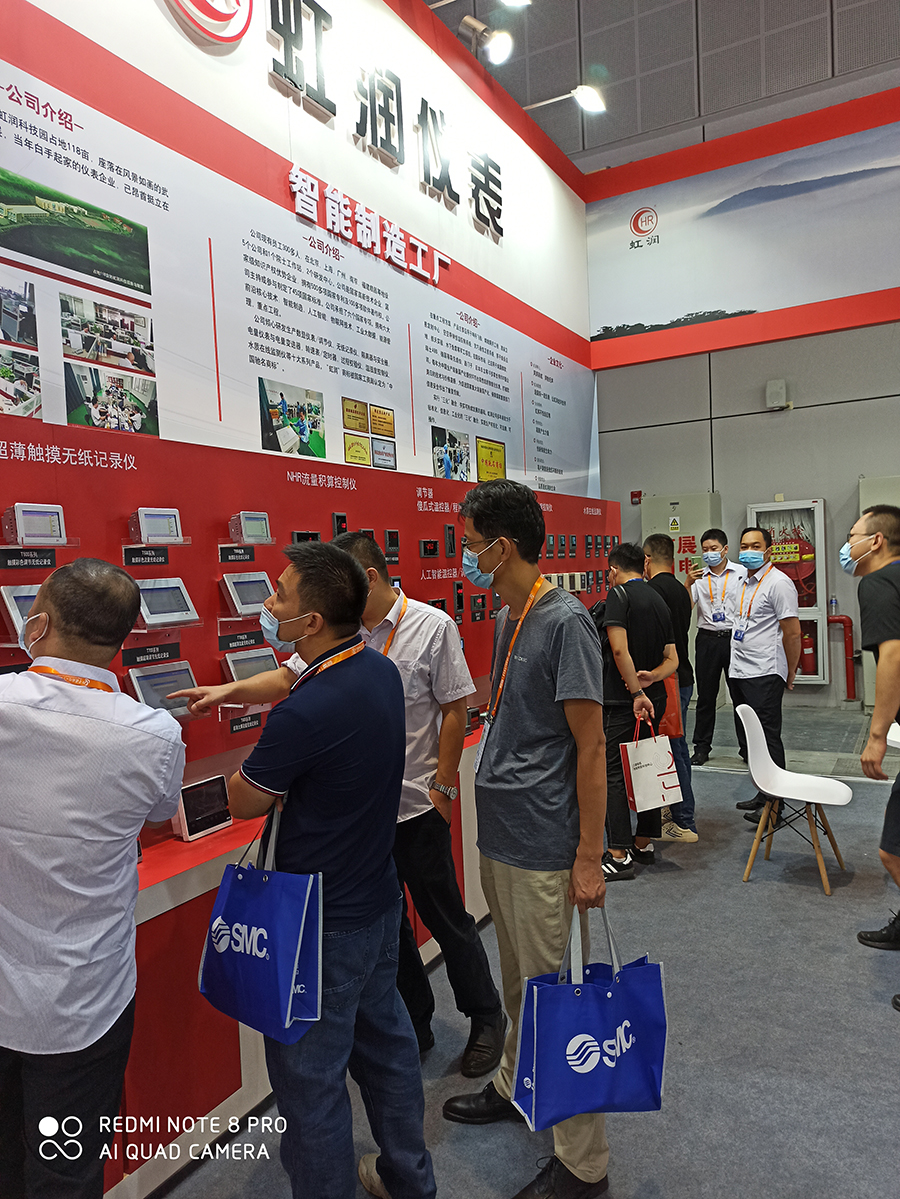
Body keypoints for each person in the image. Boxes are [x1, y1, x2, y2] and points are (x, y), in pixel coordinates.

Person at [177, 532, 506, 1076]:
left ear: (366, 578)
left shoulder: (432, 626)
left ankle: (486, 1017)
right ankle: (416, 1020)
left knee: (446, 919)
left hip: (414, 806)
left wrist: (443, 788)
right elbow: (287, 676)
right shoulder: (337, 637)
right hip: (363, 816)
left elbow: (455, 709)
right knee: (390, 928)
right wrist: (226, 692)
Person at [216, 541, 435, 1199]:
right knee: (388, 1049)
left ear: (311, 620)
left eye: (280, 593)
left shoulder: (304, 712)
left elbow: (243, 799)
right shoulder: (376, 668)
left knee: (310, 1084)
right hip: (376, 899)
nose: (267, 601)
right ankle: (409, 1178)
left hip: (319, 924)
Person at [441, 480, 610, 1199]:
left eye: (470, 543)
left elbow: (591, 746)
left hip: (545, 840)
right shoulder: (511, 615)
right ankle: (516, 1084)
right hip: (504, 835)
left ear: (501, 547)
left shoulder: (566, 622)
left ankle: (583, 1163)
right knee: (518, 983)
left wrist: (588, 855)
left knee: (554, 1000)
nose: (464, 555)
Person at [0, 558, 185, 1199]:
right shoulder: (154, 734)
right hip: (86, 997)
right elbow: (160, 811)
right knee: (66, 1170)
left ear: (39, 623)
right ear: (124, 637)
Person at [847, 505, 900, 1012]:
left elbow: (893, 655)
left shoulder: (879, 581)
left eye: (853, 535)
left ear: (877, 541)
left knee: (893, 852)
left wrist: (877, 733)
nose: (848, 545)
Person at [601, 542, 679, 879]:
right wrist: (651, 679)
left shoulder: (618, 596)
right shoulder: (658, 598)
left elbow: (619, 651)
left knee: (614, 775)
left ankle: (619, 854)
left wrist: (635, 690)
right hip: (655, 697)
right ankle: (643, 844)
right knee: (647, 768)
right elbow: (672, 659)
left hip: (625, 700)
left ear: (614, 570)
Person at [729, 526, 801, 823]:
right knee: (750, 738)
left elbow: (792, 633)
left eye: (756, 546)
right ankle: (763, 792)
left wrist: (791, 670)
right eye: (745, 545)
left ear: (768, 551)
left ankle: (775, 806)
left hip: (765, 671)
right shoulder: (742, 582)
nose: (749, 551)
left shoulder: (779, 583)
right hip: (740, 669)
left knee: (768, 737)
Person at [643, 533, 699, 839]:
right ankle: (675, 810)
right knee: (677, 747)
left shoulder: (651, 592)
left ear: (647, 560)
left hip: (668, 681)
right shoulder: (681, 589)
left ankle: (683, 819)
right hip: (682, 676)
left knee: (672, 749)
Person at [685, 528, 746, 766]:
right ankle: (701, 748)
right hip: (707, 639)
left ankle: (747, 748)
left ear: (725, 549)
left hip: (734, 639)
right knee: (706, 697)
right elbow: (686, 606)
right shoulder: (698, 576)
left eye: (713, 549)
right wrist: (688, 583)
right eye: (705, 549)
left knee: (740, 695)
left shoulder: (741, 572)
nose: (709, 553)